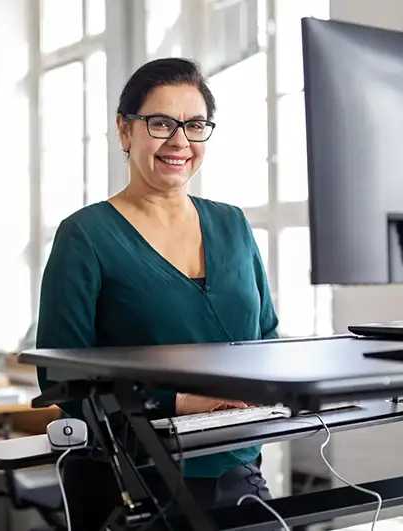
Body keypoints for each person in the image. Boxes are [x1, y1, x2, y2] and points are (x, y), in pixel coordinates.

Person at [36, 57, 279, 527]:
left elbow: (266, 335)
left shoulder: (232, 224)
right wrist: (182, 403)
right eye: (161, 123)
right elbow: (59, 379)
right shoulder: (85, 236)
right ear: (125, 131)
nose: (179, 141)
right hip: (134, 477)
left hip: (236, 464)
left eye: (194, 125)